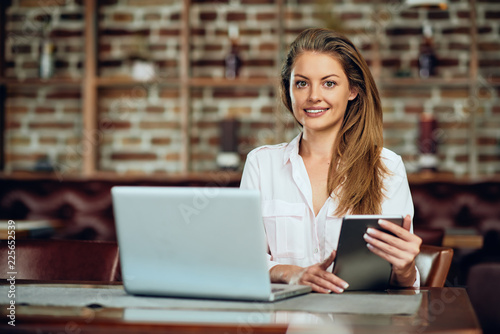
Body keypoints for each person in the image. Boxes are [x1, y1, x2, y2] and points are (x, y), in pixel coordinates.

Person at [240, 28, 422, 293]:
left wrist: (405, 268)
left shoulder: (386, 167)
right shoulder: (261, 164)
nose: (313, 96)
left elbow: (402, 283)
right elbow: (243, 260)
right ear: (288, 90)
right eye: (302, 83)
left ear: (353, 90)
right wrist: (291, 273)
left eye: (329, 83)